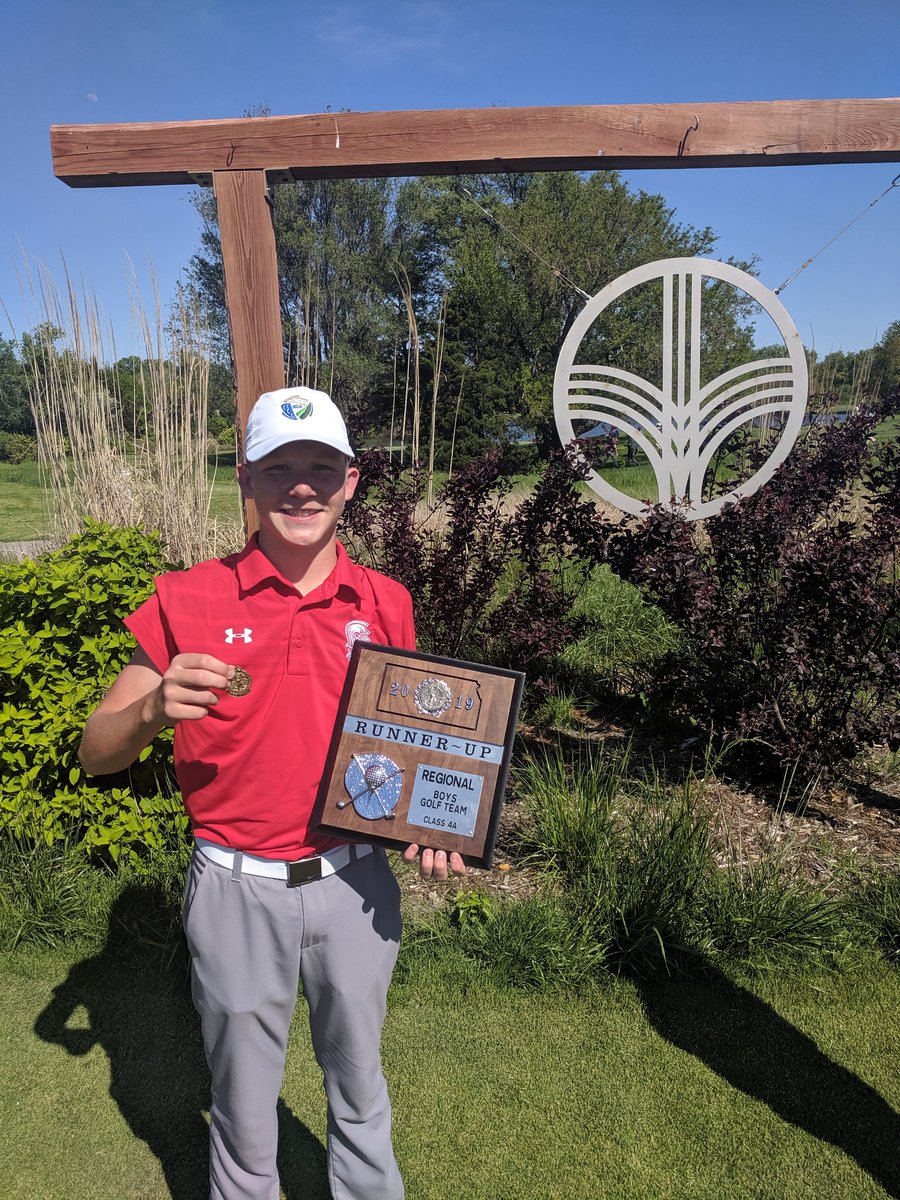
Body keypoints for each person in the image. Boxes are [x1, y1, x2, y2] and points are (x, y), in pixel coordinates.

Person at [78, 385, 465, 1200]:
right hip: (233, 886)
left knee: (360, 1092)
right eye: (279, 467)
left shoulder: (385, 601)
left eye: (321, 466)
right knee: (244, 1112)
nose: (302, 486)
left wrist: (435, 822)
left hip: (354, 884)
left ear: (351, 481)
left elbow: (409, 754)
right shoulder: (186, 598)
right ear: (246, 480)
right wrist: (150, 708)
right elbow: (95, 752)